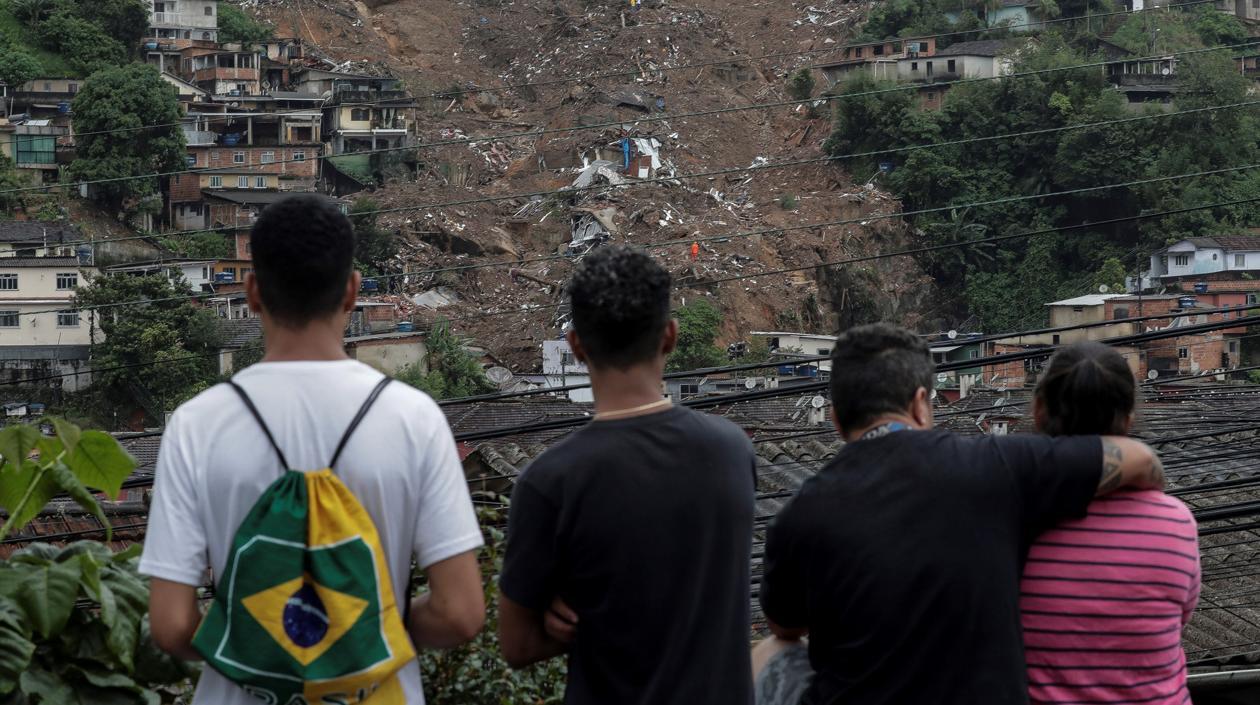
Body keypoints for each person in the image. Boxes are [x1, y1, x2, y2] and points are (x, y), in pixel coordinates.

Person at [140, 194, 486, 704]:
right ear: (351, 291)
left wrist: (265, 634)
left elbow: (171, 626)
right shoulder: (413, 419)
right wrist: (354, 626)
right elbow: (459, 612)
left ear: (253, 291)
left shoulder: (197, 424)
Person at [754, 323, 1166, 705]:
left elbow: (785, 628)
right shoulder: (994, 464)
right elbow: (1136, 458)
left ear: (836, 418)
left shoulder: (799, 513)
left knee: (767, 653)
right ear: (921, 404)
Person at [497, 246, 757, 705]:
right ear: (670, 336)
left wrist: (571, 622)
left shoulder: (549, 481)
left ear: (575, 346)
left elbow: (517, 645)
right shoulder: (732, 450)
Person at [1022, 341, 1199, 705]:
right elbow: (1177, 621)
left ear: (1038, 410)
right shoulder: (1177, 523)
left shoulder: (1011, 516)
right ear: (1129, 417)